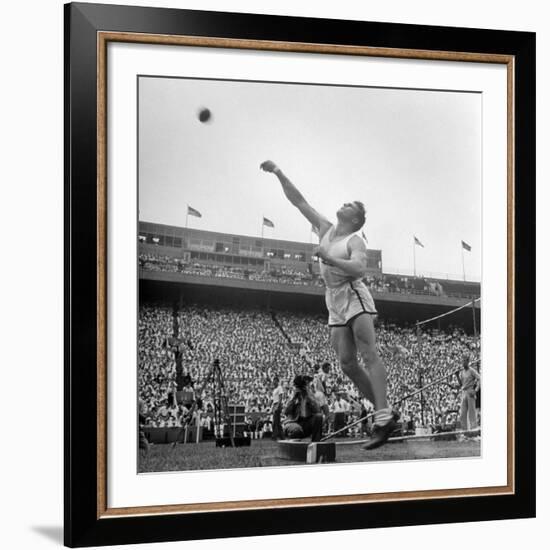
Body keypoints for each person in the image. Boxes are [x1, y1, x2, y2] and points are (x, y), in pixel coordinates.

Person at [261, 160, 395, 449]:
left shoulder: (355, 240)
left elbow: (359, 270)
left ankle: (382, 418)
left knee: (369, 355)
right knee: (347, 364)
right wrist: (278, 172)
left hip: (353, 293)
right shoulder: (325, 227)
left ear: (356, 219)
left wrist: (328, 257)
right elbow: (299, 201)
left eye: (350, 205)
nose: (343, 204)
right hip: (333, 299)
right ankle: (386, 411)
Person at [283, 375, 323, 442]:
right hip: (293, 422)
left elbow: (317, 410)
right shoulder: (292, 396)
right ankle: (295, 446)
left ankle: (315, 444)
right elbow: (286, 412)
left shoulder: (310, 396)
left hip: (306, 422)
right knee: (296, 430)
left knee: (318, 417)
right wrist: (294, 398)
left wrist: (309, 397)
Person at [456, 355, 480, 435]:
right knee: (462, 414)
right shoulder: (462, 372)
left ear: (467, 361)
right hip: (464, 392)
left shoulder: (472, 370)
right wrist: (457, 376)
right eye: (462, 361)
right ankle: (465, 432)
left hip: (470, 392)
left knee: (472, 413)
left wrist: (475, 390)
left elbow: (479, 378)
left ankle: (474, 432)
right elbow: (461, 384)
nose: (463, 363)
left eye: (465, 361)